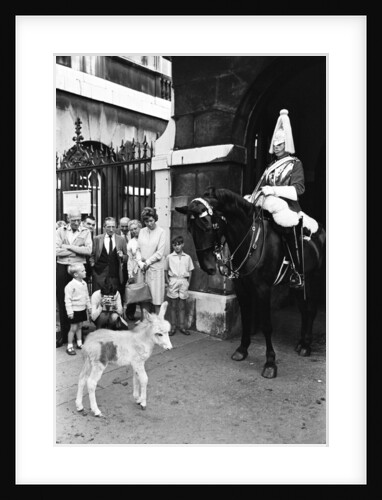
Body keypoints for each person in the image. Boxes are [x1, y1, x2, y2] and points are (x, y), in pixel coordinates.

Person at [249, 109, 305, 289]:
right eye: (275, 144)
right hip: (268, 205)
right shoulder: (270, 167)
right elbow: (260, 186)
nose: (277, 147)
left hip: (287, 207)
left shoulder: (295, 164)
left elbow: (298, 190)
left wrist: (273, 189)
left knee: (289, 228)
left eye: (280, 144)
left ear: (286, 144)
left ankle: (297, 271)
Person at [56, 209, 92, 348]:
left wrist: (68, 247)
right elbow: (55, 250)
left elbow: (88, 251)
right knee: (62, 299)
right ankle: (64, 334)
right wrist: (78, 249)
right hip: (62, 267)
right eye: (73, 220)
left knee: (80, 299)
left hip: (78, 268)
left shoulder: (86, 231)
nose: (76, 223)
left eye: (78, 220)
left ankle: (79, 334)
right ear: (68, 218)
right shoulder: (60, 231)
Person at [137, 207, 165, 315]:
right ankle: (145, 325)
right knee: (144, 298)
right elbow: (138, 249)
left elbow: (160, 253)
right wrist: (140, 262)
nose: (149, 223)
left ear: (155, 219)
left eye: (151, 220)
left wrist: (147, 262)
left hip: (155, 269)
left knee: (156, 300)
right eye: (146, 221)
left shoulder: (161, 232)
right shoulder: (142, 231)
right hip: (143, 269)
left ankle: (158, 325)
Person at [164, 235, 194, 336]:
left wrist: (188, 282)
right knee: (173, 306)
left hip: (183, 281)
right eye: (175, 245)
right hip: (173, 280)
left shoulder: (187, 257)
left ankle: (182, 327)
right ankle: (172, 327)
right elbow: (165, 270)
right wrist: (168, 281)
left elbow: (190, 271)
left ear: (183, 245)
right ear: (172, 246)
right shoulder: (169, 257)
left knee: (182, 306)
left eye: (179, 244)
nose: (177, 247)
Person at [90, 217, 127, 296]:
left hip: (115, 274)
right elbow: (92, 255)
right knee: (98, 298)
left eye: (113, 227)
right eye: (108, 227)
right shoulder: (97, 239)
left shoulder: (121, 240)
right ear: (104, 227)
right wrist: (93, 265)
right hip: (99, 274)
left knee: (114, 298)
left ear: (116, 227)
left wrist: (122, 256)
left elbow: (127, 257)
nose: (111, 229)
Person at [64, 263, 92, 355]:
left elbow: (87, 296)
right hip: (74, 311)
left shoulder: (84, 283)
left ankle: (79, 343)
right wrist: (70, 312)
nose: (85, 272)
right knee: (73, 328)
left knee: (80, 326)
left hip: (82, 309)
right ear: (76, 274)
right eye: (83, 271)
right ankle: (70, 346)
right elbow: (67, 299)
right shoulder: (70, 285)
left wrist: (89, 307)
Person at [125, 219, 143, 321]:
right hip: (135, 271)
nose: (134, 231)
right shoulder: (131, 242)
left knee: (144, 293)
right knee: (134, 291)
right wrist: (130, 274)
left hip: (145, 269)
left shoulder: (145, 239)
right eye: (131, 230)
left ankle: (144, 316)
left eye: (135, 228)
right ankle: (130, 313)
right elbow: (130, 260)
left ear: (140, 228)